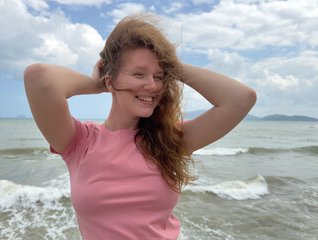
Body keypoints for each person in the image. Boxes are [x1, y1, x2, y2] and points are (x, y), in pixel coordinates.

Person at [24, 14, 256, 240]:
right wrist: (100, 84)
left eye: (159, 76)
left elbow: (241, 98)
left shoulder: (171, 139)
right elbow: (39, 77)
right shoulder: (78, 142)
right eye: (139, 74)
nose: (152, 86)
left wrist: (171, 64)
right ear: (110, 80)